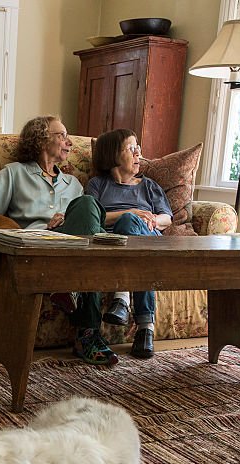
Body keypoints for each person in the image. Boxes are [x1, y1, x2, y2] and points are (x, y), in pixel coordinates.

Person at [0, 115, 118, 366]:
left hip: (72, 243)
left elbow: (90, 223)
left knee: (89, 207)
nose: (69, 142)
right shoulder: (15, 173)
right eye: (62, 135)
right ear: (42, 139)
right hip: (37, 243)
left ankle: (68, 288)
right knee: (88, 247)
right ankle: (87, 334)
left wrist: (68, 216)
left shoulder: (74, 184)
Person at [85, 129, 172, 359]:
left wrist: (152, 219)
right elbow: (93, 217)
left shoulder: (149, 186)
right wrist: (130, 212)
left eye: (139, 150)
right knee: (128, 221)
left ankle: (122, 298)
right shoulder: (97, 185)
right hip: (111, 242)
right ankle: (145, 329)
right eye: (132, 149)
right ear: (114, 154)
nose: (138, 155)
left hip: (147, 238)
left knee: (136, 235)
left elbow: (166, 218)